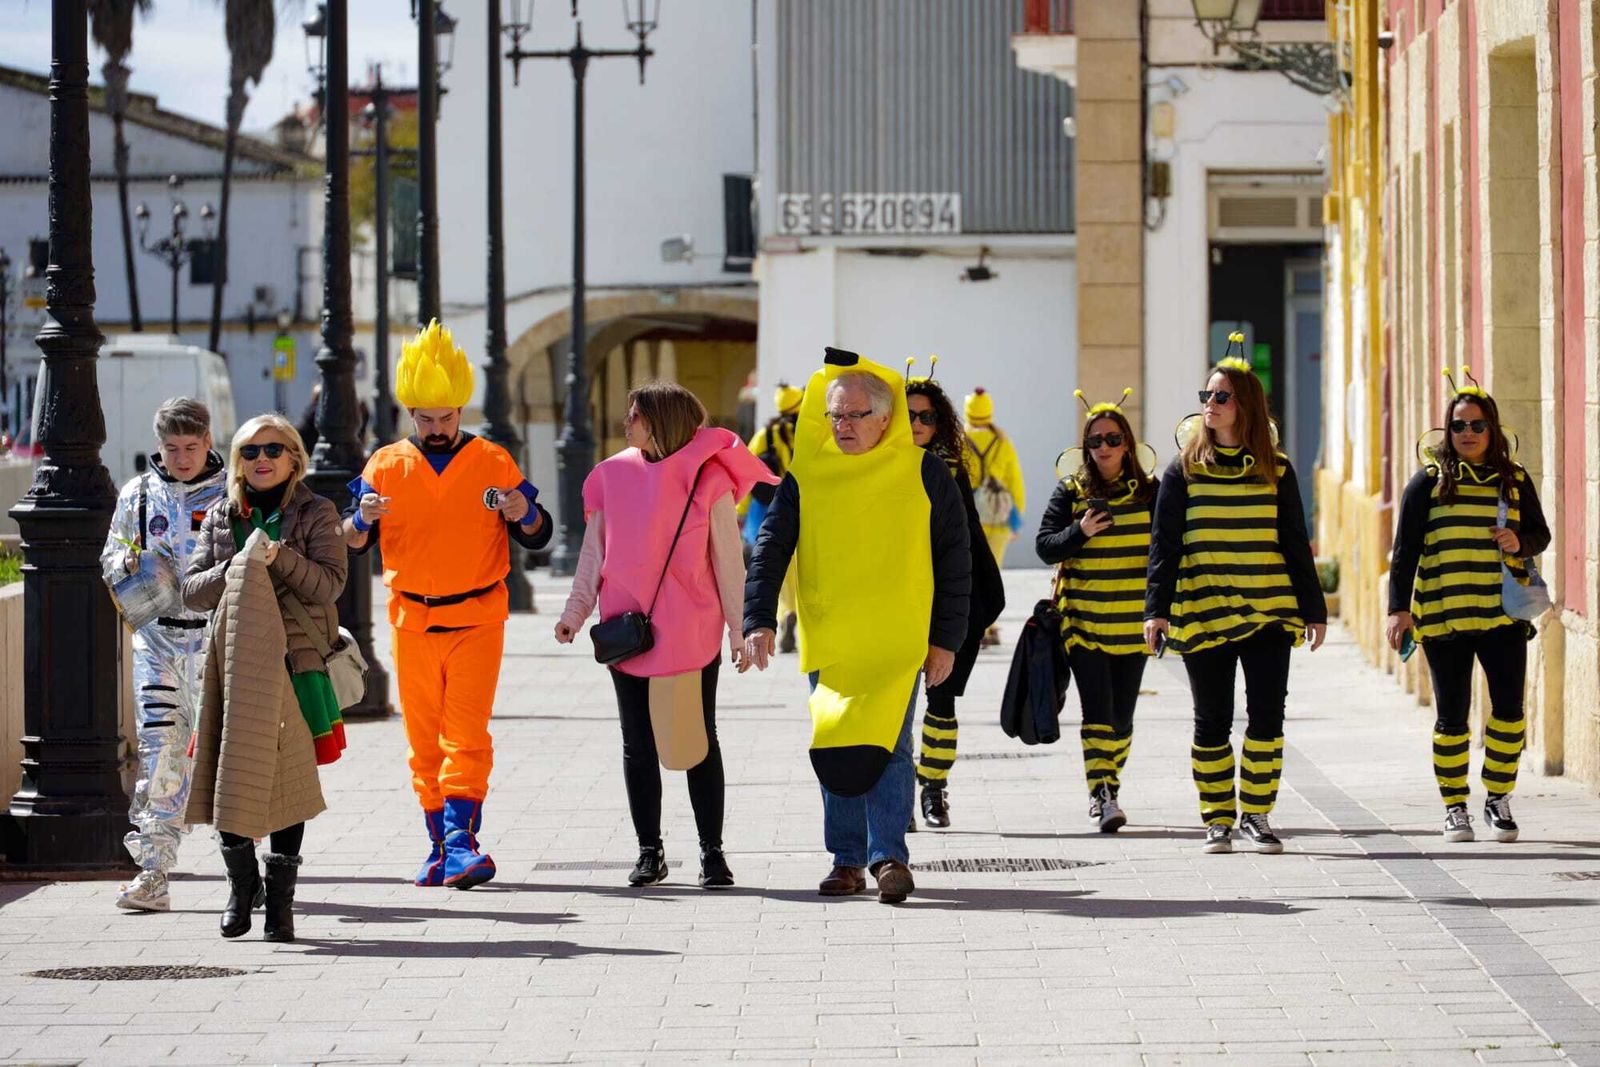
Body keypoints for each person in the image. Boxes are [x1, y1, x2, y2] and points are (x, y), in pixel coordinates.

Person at [743, 348, 970, 905]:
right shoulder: (809, 473)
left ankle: (887, 855)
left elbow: (955, 556)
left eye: (853, 415)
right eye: (833, 414)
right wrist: (759, 619)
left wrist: (947, 640)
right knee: (836, 739)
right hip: (832, 635)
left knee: (891, 745)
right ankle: (845, 859)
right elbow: (772, 545)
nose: (840, 425)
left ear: (885, 419)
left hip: (898, 638)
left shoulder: (923, 470)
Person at [343, 320, 552, 890]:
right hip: (411, 616)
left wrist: (522, 514)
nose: (436, 429)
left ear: (462, 411)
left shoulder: (493, 460)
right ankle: (439, 845)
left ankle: (463, 842)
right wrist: (361, 520)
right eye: (425, 419)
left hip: (478, 615)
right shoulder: (384, 465)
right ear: (410, 414)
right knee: (423, 739)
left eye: (446, 418)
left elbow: (539, 532)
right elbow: (351, 539)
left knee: (466, 733)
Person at [556, 383, 777, 888]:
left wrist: (740, 630)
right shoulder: (611, 475)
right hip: (626, 632)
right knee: (637, 743)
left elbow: (727, 561)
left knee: (698, 741)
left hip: (690, 631)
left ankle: (712, 854)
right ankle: (649, 852)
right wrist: (575, 612)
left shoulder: (709, 477)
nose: (625, 422)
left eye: (633, 414)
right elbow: (595, 553)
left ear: (659, 420)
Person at [1144, 341, 1327, 855]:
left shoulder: (1277, 470)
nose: (1210, 402)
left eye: (1221, 395)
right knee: (1213, 720)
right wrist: (1156, 611)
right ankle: (1218, 819)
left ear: (1244, 403)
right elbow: (1165, 546)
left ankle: (1258, 815)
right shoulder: (1183, 470)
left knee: (1267, 718)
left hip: (1270, 610)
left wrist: (1314, 609)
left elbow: (1294, 539)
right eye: (1207, 394)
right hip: (1203, 612)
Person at [183, 414, 347, 942]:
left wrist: (278, 557)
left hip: (296, 665)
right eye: (250, 452)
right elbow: (192, 591)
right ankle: (241, 887)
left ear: (294, 458)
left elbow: (328, 586)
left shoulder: (316, 511)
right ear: (237, 462)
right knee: (232, 770)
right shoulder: (220, 515)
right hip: (233, 665)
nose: (262, 460)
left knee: (287, 779)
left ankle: (280, 906)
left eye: (274, 449)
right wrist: (236, 565)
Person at [1385, 368, 1550, 844]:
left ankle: (1498, 799)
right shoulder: (1428, 483)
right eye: (1459, 425)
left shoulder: (1513, 480)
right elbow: (1405, 552)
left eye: (1478, 425)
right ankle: (1455, 806)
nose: (1469, 434)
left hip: (1501, 616)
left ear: (1492, 429)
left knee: (1509, 712)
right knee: (1452, 717)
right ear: (1447, 429)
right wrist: (1399, 610)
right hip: (1443, 617)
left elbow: (1540, 534)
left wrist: (1519, 539)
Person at [101, 397, 228, 912]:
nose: (181, 458)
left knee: (226, 754)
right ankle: (153, 872)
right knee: (160, 754)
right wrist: (133, 565)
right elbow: (110, 553)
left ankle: (244, 868)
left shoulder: (230, 493)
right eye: (172, 448)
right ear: (159, 446)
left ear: (208, 443)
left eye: (191, 447)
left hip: (217, 639)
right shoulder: (138, 495)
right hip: (158, 641)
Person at [1036, 388, 1156, 834]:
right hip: (1083, 624)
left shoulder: (1151, 492)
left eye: (1112, 439)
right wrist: (1079, 531)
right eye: (1094, 441)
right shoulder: (1071, 491)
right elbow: (1044, 547)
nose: (1103, 447)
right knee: (1097, 713)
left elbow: (1167, 551)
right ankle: (1102, 793)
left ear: (1127, 442)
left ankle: (1110, 784)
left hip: (1132, 625)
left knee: (1122, 718)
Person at [904, 359, 1004, 829]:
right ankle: (896, 796)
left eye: (927, 416)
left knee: (942, 704)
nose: (919, 424)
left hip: (945, 601)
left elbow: (964, 538)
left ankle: (934, 789)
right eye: (910, 415)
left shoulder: (950, 467)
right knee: (894, 708)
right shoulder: (877, 465)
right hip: (896, 600)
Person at [738, 382, 803, 652]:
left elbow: (746, 470)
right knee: (800, 568)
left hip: (769, 510)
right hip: (805, 506)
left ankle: (785, 611)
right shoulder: (812, 432)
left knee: (778, 566)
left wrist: (739, 511)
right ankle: (796, 612)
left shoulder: (767, 434)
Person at [963, 386, 1025, 646]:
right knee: (992, 573)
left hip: (971, 515)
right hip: (999, 517)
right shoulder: (1002, 441)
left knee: (968, 573)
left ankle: (973, 626)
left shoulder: (960, 439)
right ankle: (989, 626)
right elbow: (1015, 482)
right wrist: (1016, 519)